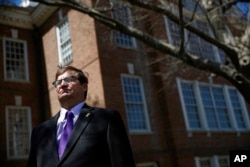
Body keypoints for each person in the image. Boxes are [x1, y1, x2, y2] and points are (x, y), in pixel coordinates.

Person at [27, 65, 135, 167]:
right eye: (58, 82)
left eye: (69, 80)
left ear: (84, 86)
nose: (62, 84)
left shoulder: (107, 119)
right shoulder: (39, 131)